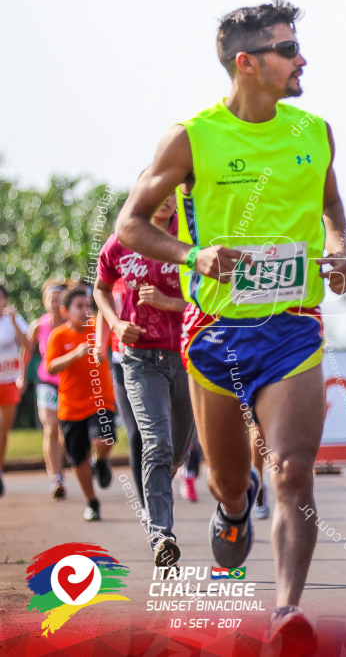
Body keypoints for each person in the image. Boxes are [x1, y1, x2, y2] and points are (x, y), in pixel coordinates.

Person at [115, 0, 346, 650]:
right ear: (246, 63)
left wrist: (338, 250)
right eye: (286, 49)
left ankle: (286, 610)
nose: (302, 59)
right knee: (227, 478)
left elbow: (332, 205)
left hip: (293, 327)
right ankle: (230, 507)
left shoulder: (314, 130)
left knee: (294, 469)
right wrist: (195, 254)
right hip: (215, 331)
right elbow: (129, 225)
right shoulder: (192, 136)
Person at [96, 191, 195, 567]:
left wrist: (169, 303)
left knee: (178, 451)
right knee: (155, 442)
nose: (167, 201)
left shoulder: (190, 239)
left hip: (185, 356)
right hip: (139, 360)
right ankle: (161, 537)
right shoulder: (122, 239)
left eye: (172, 195)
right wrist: (117, 323)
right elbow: (101, 288)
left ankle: (160, 494)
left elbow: (214, 297)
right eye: (159, 194)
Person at [46, 286, 117, 520]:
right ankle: (92, 502)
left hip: (101, 400)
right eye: (80, 307)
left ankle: (102, 460)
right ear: (65, 311)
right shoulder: (58, 335)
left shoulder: (99, 326)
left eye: (88, 305)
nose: (86, 310)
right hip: (71, 407)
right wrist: (75, 354)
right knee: (77, 458)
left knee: (104, 439)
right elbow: (50, 367)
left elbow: (115, 339)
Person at [96, 278, 147, 522]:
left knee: (163, 437)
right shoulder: (113, 268)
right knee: (136, 433)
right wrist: (99, 343)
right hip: (121, 362)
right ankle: (147, 506)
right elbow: (103, 306)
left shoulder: (156, 260)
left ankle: (161, 484)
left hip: (157, 360)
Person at [27, 280, 67, 499]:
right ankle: (56, 478)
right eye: (51, 298)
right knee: (50, 428)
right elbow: (27, 352)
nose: (54, 302)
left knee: (66, 433)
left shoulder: (73, 323)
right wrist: (22, 377)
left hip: (69, 384)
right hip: (46, 381)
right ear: (44, 301)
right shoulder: (38, 326)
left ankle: (69, 463)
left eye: (58, 298)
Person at [0, 284, 30, 498]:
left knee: (3, 430)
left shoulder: (14, 320)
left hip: (10, 380)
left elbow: (28, 345)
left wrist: (13, 323)